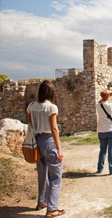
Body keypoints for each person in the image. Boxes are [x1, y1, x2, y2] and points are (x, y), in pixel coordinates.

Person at [27, 80, 66, 218]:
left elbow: (30, 124)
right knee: (55, 176)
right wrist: (59, 148)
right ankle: (52, 209)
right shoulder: (51, 108)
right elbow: (54, 128)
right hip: (49, 140)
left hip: (36, 141)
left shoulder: (31, 106)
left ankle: (42, 202)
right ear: (52, 92)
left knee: (42, 174)